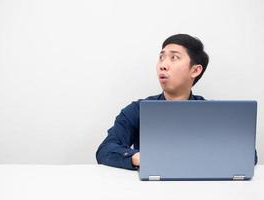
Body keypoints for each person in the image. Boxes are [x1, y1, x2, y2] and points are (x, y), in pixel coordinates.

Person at [96, 33, 258, 170]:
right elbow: (105, 150)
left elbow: (249, 155)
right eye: (161, 58)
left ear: (195, 70)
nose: (163, 65)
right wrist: (138, 158)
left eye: (174, 58)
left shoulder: (212, 113)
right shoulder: (137, 110)